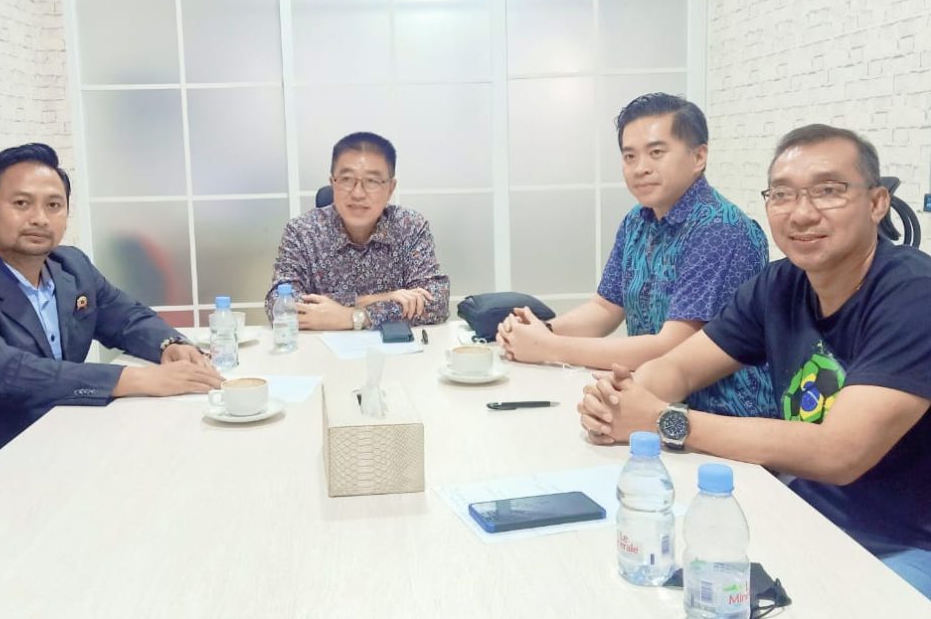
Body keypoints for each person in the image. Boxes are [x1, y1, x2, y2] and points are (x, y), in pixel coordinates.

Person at [578, 125, 931, 597]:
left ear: (876, 202)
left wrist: (663, 420)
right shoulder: (779, 284)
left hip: (905, 546)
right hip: (803, 511)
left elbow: (839, 452)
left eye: (828, 191)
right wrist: (620, 400)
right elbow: (680, 366)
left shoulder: (914, 295)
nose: (801, 212)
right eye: (782, 194)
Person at [0, 143, 223, 492]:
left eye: (54, 205)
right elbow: (11, 374)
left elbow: (126, 316)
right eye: (21, 204)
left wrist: (170, 345)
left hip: (65, 446)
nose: (40, 219)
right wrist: (138, 379)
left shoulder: (71, 267)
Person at [499, 93, 774, 417]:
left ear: (698, 157)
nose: (640, 168)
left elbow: (672, 347)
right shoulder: (638, 220)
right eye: (630, 156)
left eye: (656, 153)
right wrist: (539, 330)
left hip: (722, 416)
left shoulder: (721, 228)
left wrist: (549, 347)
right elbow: (605, 308)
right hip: (652, 401)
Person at [265, 131, 449, 330]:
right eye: (346, 179)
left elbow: (436, 301)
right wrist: (378, 298)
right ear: (333, 183)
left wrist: (354, 316)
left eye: (372, 181)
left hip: (394, 347)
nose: (358, 193)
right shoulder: (302, 231)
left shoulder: (409, 226)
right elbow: (279, 305)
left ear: (390, 188)